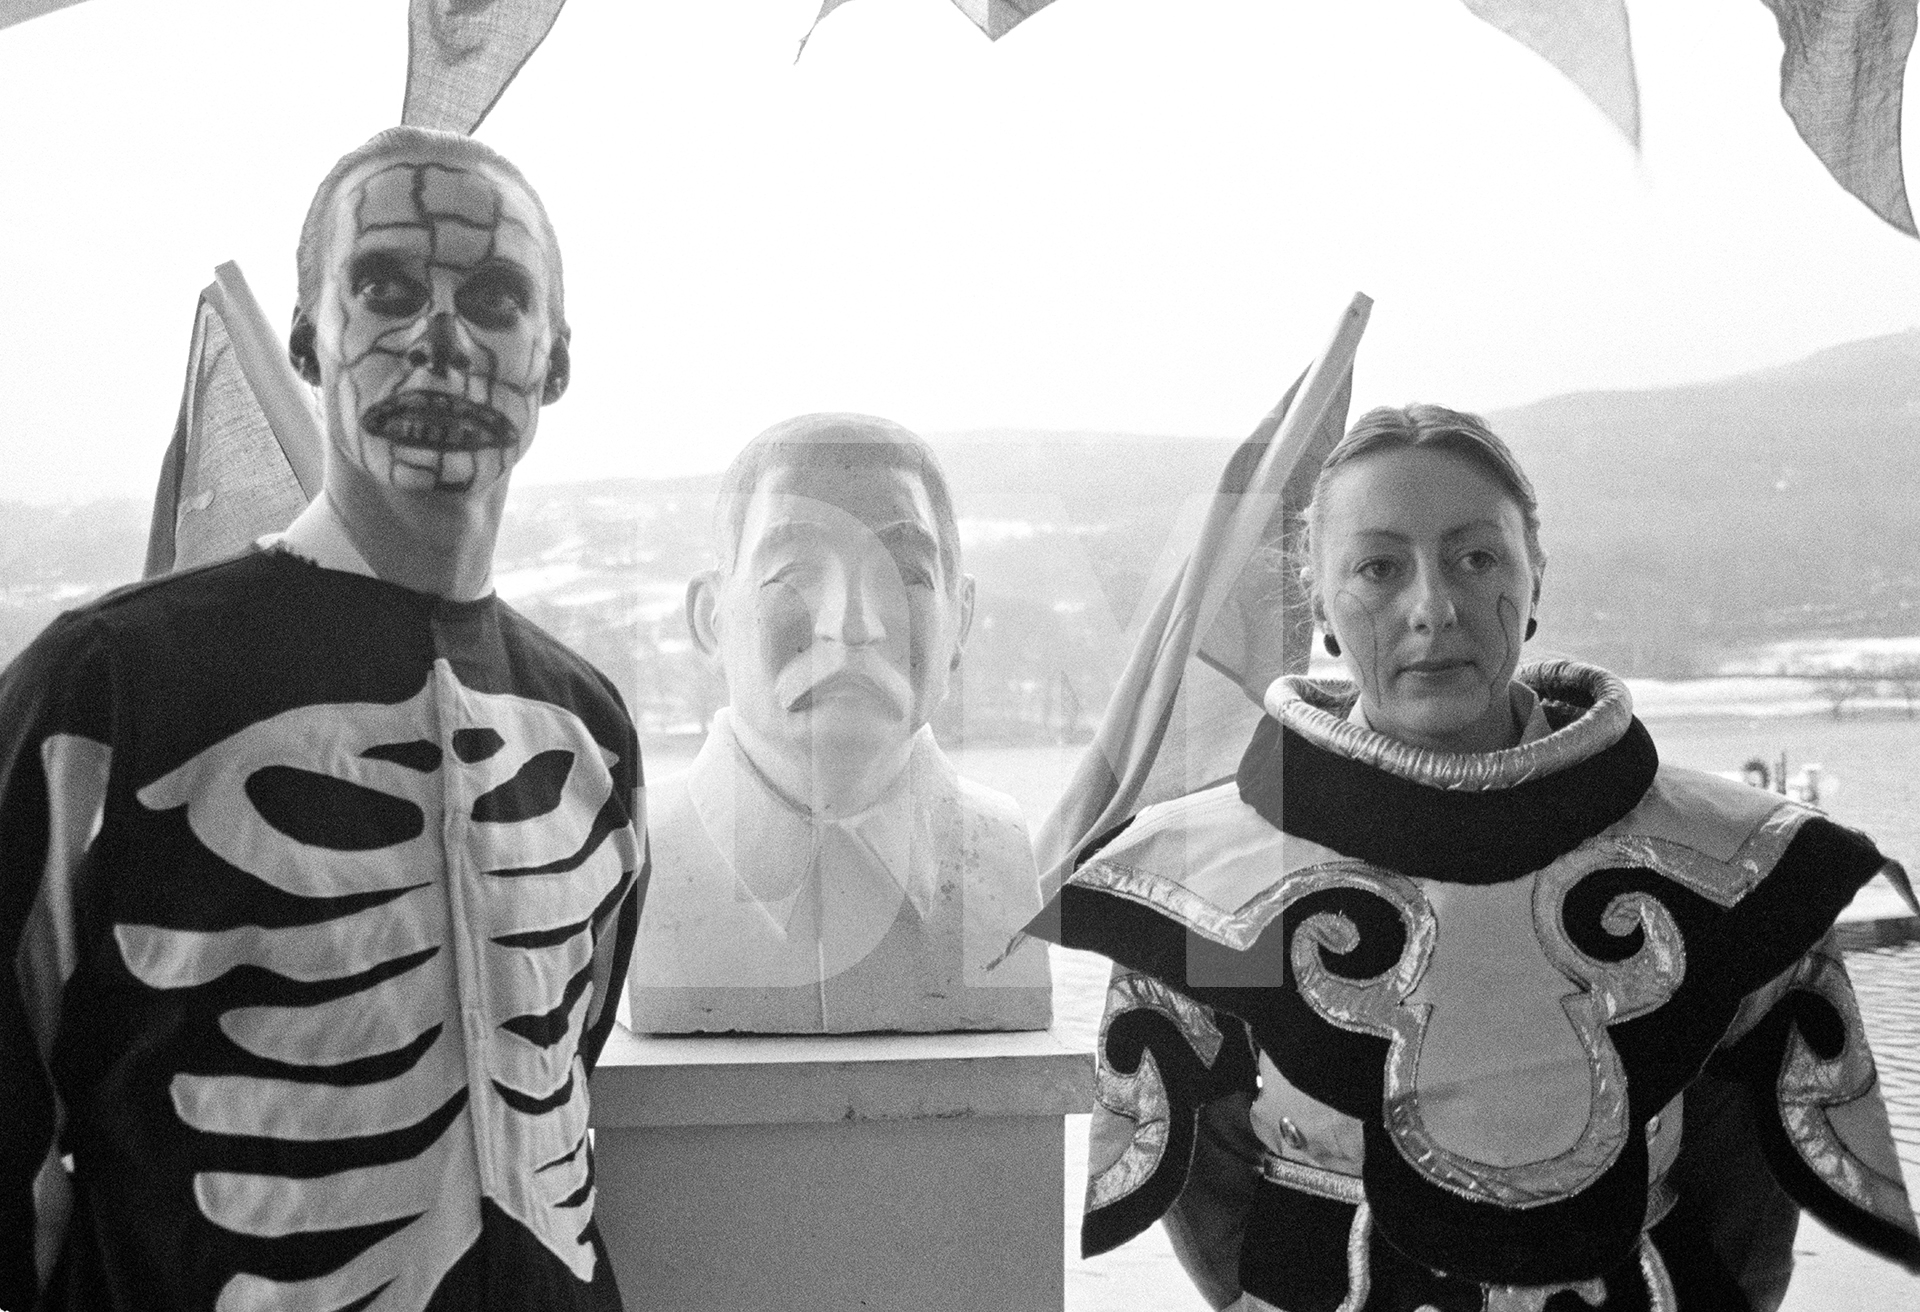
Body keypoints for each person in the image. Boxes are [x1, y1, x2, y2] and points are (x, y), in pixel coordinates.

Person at [1033, 404, 1919, 1309]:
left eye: (1477, 558)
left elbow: (1749, 1194)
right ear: (1323, 603)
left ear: (1536, 581)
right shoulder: (1200, 873)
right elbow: (1209, 1188)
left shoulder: (1732, 862)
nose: (1435, 608)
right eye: (1379, 567)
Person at [0, 126, 644, 1311]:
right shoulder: (100, 691)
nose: (440, 342)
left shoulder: (588, 732)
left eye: (495, 299)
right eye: (385, 288)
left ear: (555, 361)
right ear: (309, 336)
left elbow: (562, 1066)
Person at [626, 413, 1052, 1033]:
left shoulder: (1001, 859)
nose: (852, 626)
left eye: (906, 574)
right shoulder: (634, 859)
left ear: (960, 619)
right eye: (794, 574)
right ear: (712, 619)